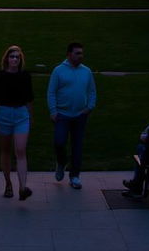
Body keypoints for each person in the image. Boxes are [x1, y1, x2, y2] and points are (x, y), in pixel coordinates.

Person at [47, 41, 96, 190]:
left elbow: (92, 91)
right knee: (59, 142)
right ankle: (61, 162)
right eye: (77, 53)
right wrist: (53, 111)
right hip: (62, 114)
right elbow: (51, 92)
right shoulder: (58, 71)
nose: (81, 56)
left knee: (77, 146)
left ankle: (74, 176)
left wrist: (89, 107)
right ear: (69, 54)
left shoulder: (86, 71)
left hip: (80, 115)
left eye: (81, 53)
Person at [0, 45, 34, 201]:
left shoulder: (25, 76)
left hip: (21, 114)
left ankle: (22, 187)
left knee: (21, 150)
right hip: (4, 115)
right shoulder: (0, 76)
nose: (14, 59)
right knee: (5, 151)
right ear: (7, 59)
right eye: (12, 56)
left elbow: (29, 99)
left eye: (17, 57)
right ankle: (8, 183)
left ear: (20, 60)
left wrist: (30, 117)